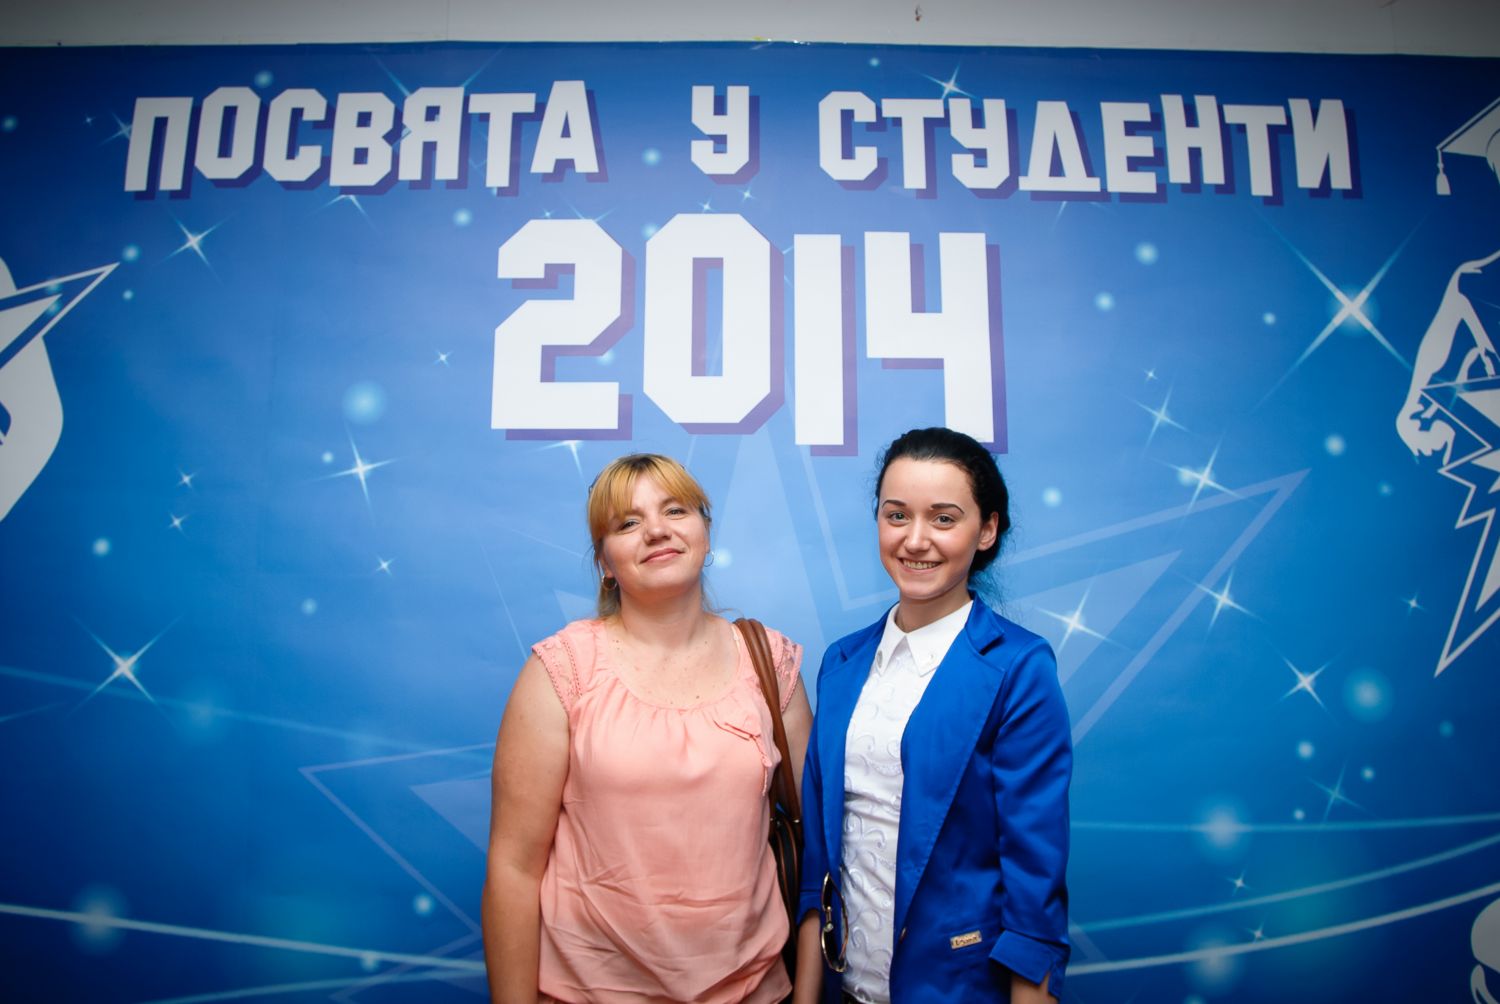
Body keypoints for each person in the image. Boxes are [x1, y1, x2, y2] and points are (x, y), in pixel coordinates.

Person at [482, 452, 813, 1003]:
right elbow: (513, 870)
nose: (656, 530)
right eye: (628, 522)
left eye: (675, 510)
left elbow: (821, 848)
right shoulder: (562, 669)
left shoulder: (770, 662)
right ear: (605, 563)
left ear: (705, 531)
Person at [793, 428, 1071, 1004]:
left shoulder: (1018, 667)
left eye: (943, 519)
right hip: (849, 988)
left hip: (958, 989)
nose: (915, 540)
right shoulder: (842, 663)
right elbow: (820, 861)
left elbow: (1034, 886)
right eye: (896, 515)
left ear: (987, 529)